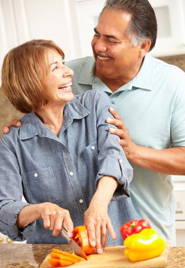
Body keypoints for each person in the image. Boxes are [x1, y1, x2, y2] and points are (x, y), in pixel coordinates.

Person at [3, 0, 185, 246]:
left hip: (144, 229)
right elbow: (31, 95)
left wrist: (132, 152)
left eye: (111, 39)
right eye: (96, 34)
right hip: (65, 249)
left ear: (143, 46)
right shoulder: (72, 75)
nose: (98, 45)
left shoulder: (173, 83)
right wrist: (14, 130)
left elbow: (114, 155)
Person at [0, 39, 138, 252]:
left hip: (120, 245)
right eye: (56, 67)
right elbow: (4, 208)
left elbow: (114, 155)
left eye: (63, 63)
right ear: (30, 81)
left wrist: (98, 205)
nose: (69, 72)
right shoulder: (11, 141)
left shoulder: (95, 103)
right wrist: (40, 210)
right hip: (57, 257)